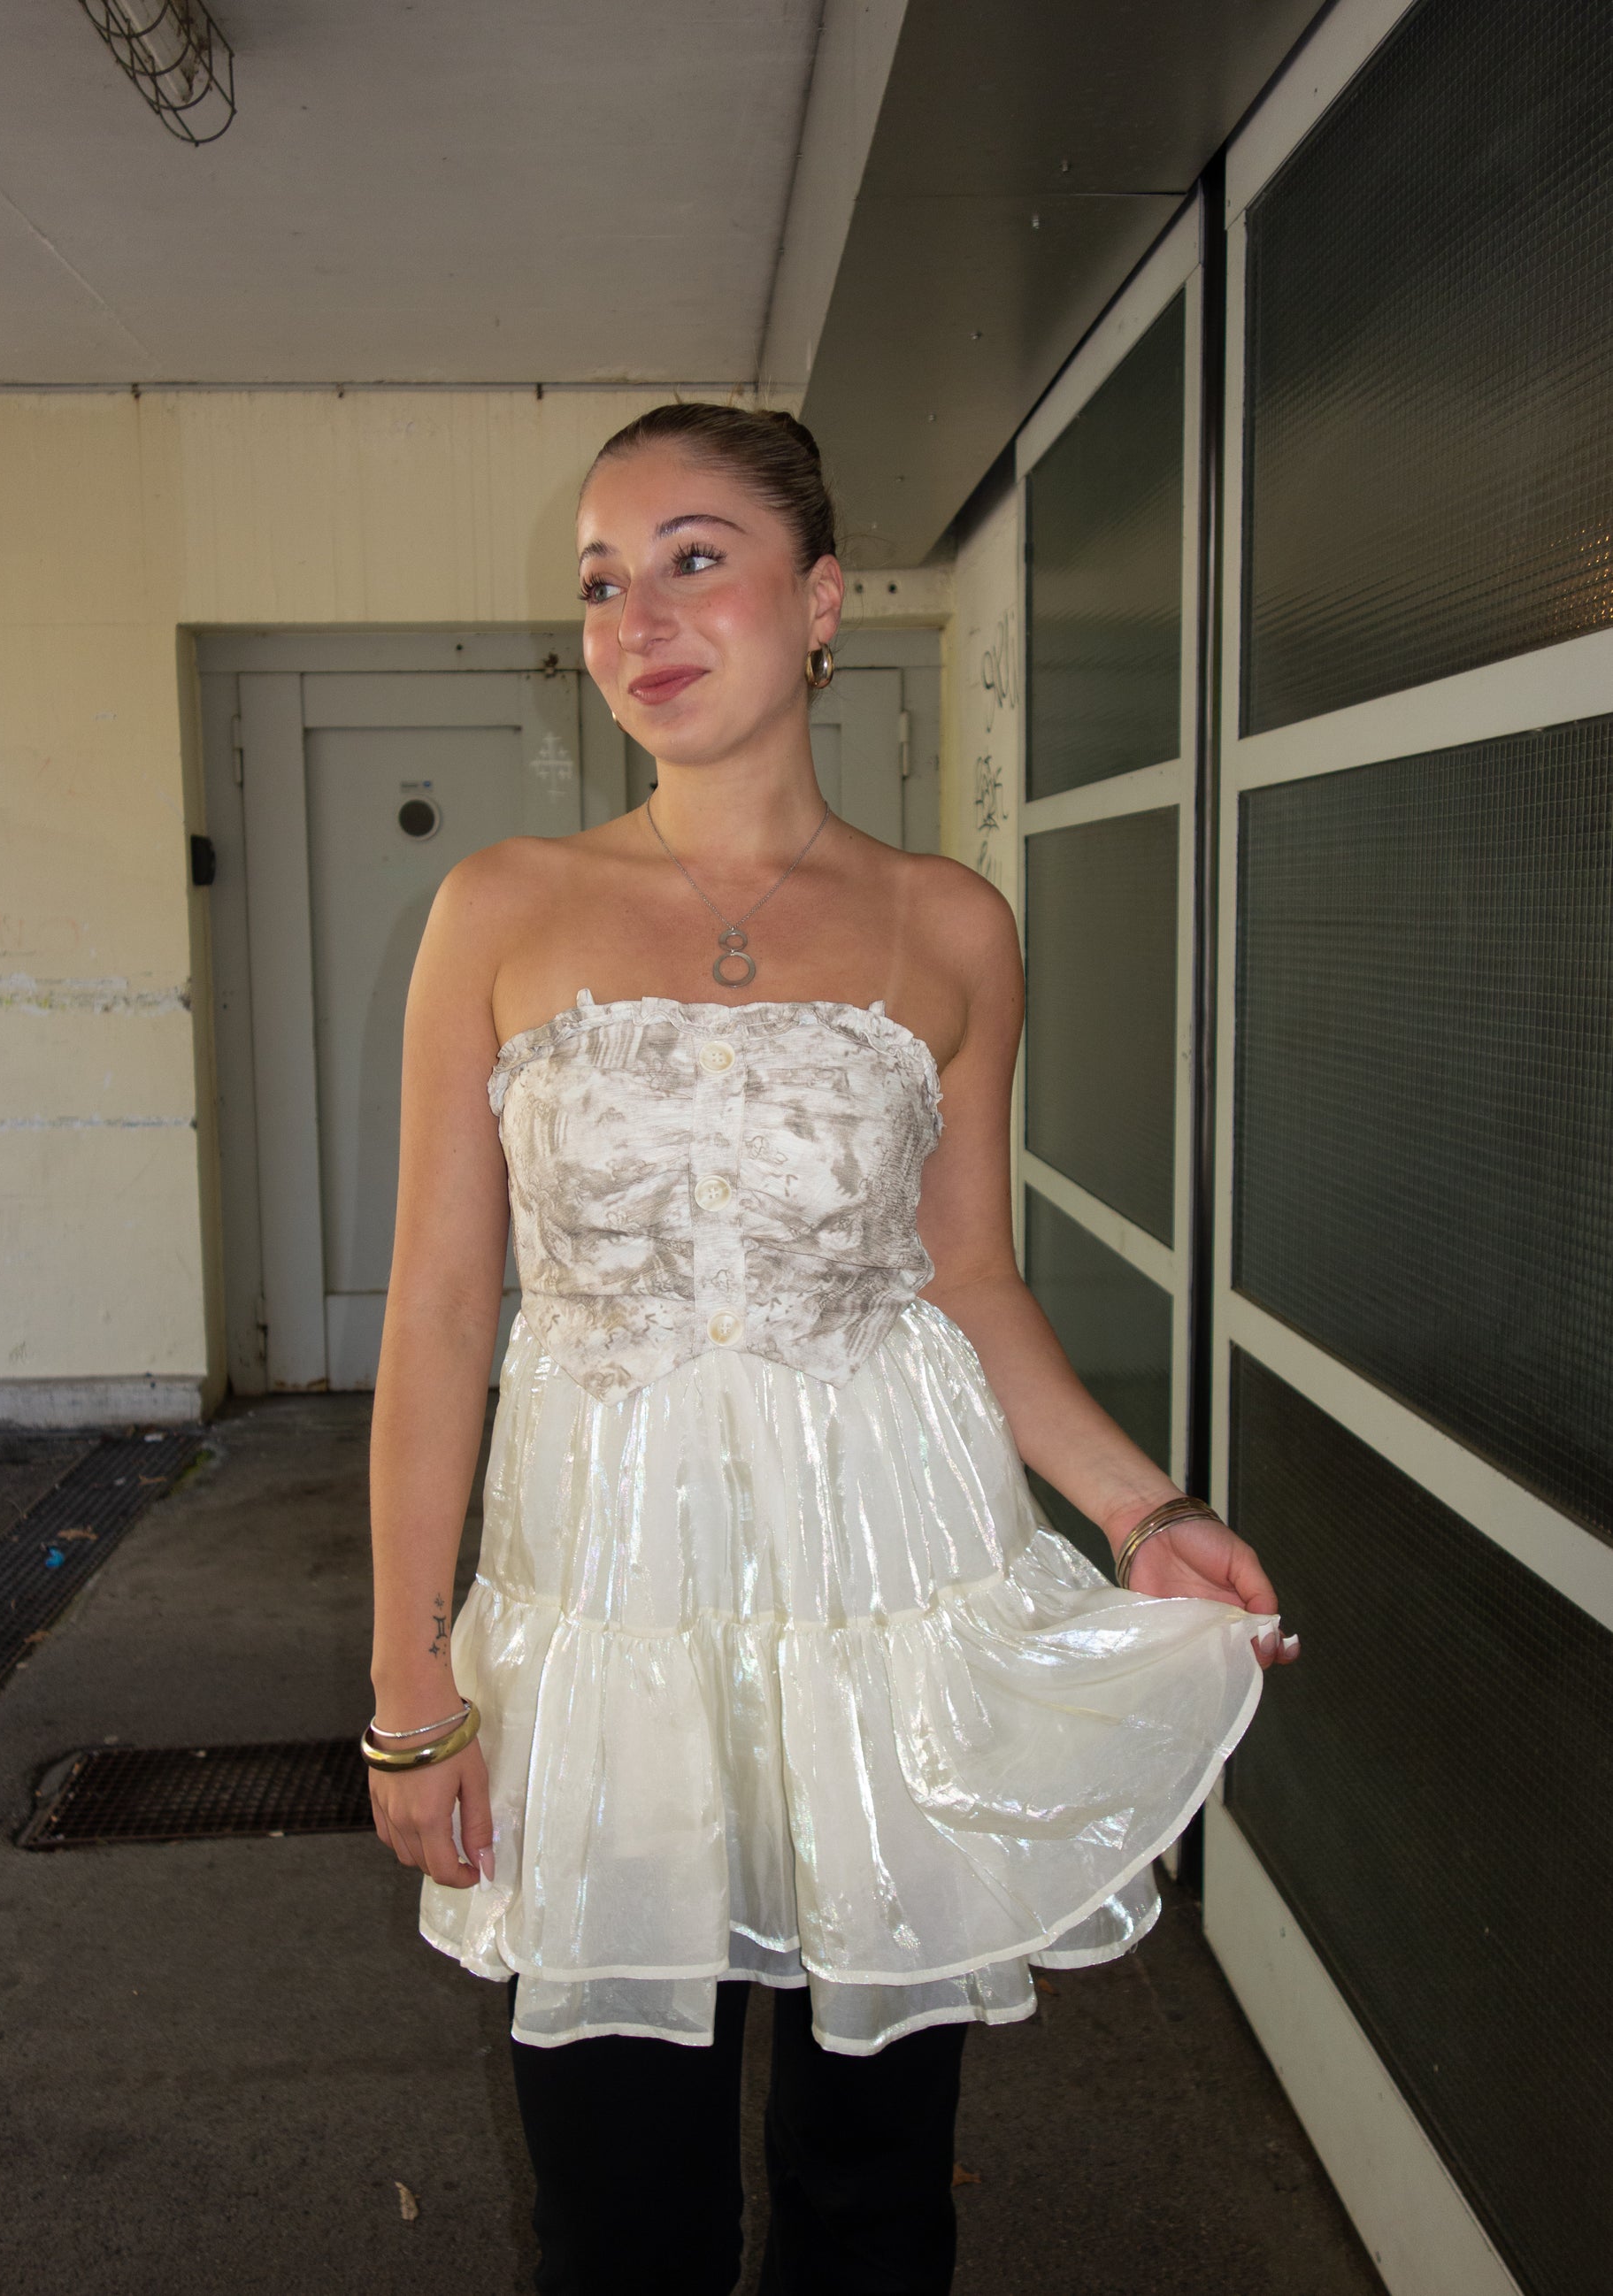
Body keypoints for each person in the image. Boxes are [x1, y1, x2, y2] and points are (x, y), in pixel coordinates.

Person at [363, 401, 1298, 2295]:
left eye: (693, 561)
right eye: (601, 584)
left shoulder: (948, 925)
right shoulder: (501, 909)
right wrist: (407, 1678)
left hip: (885, 1594)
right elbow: (442, 1312)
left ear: (818, 602)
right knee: (618, 2202)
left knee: (871, 2188)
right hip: (608, 1603)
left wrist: (1145, 1511)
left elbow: (970, 1280)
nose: (637, 621)